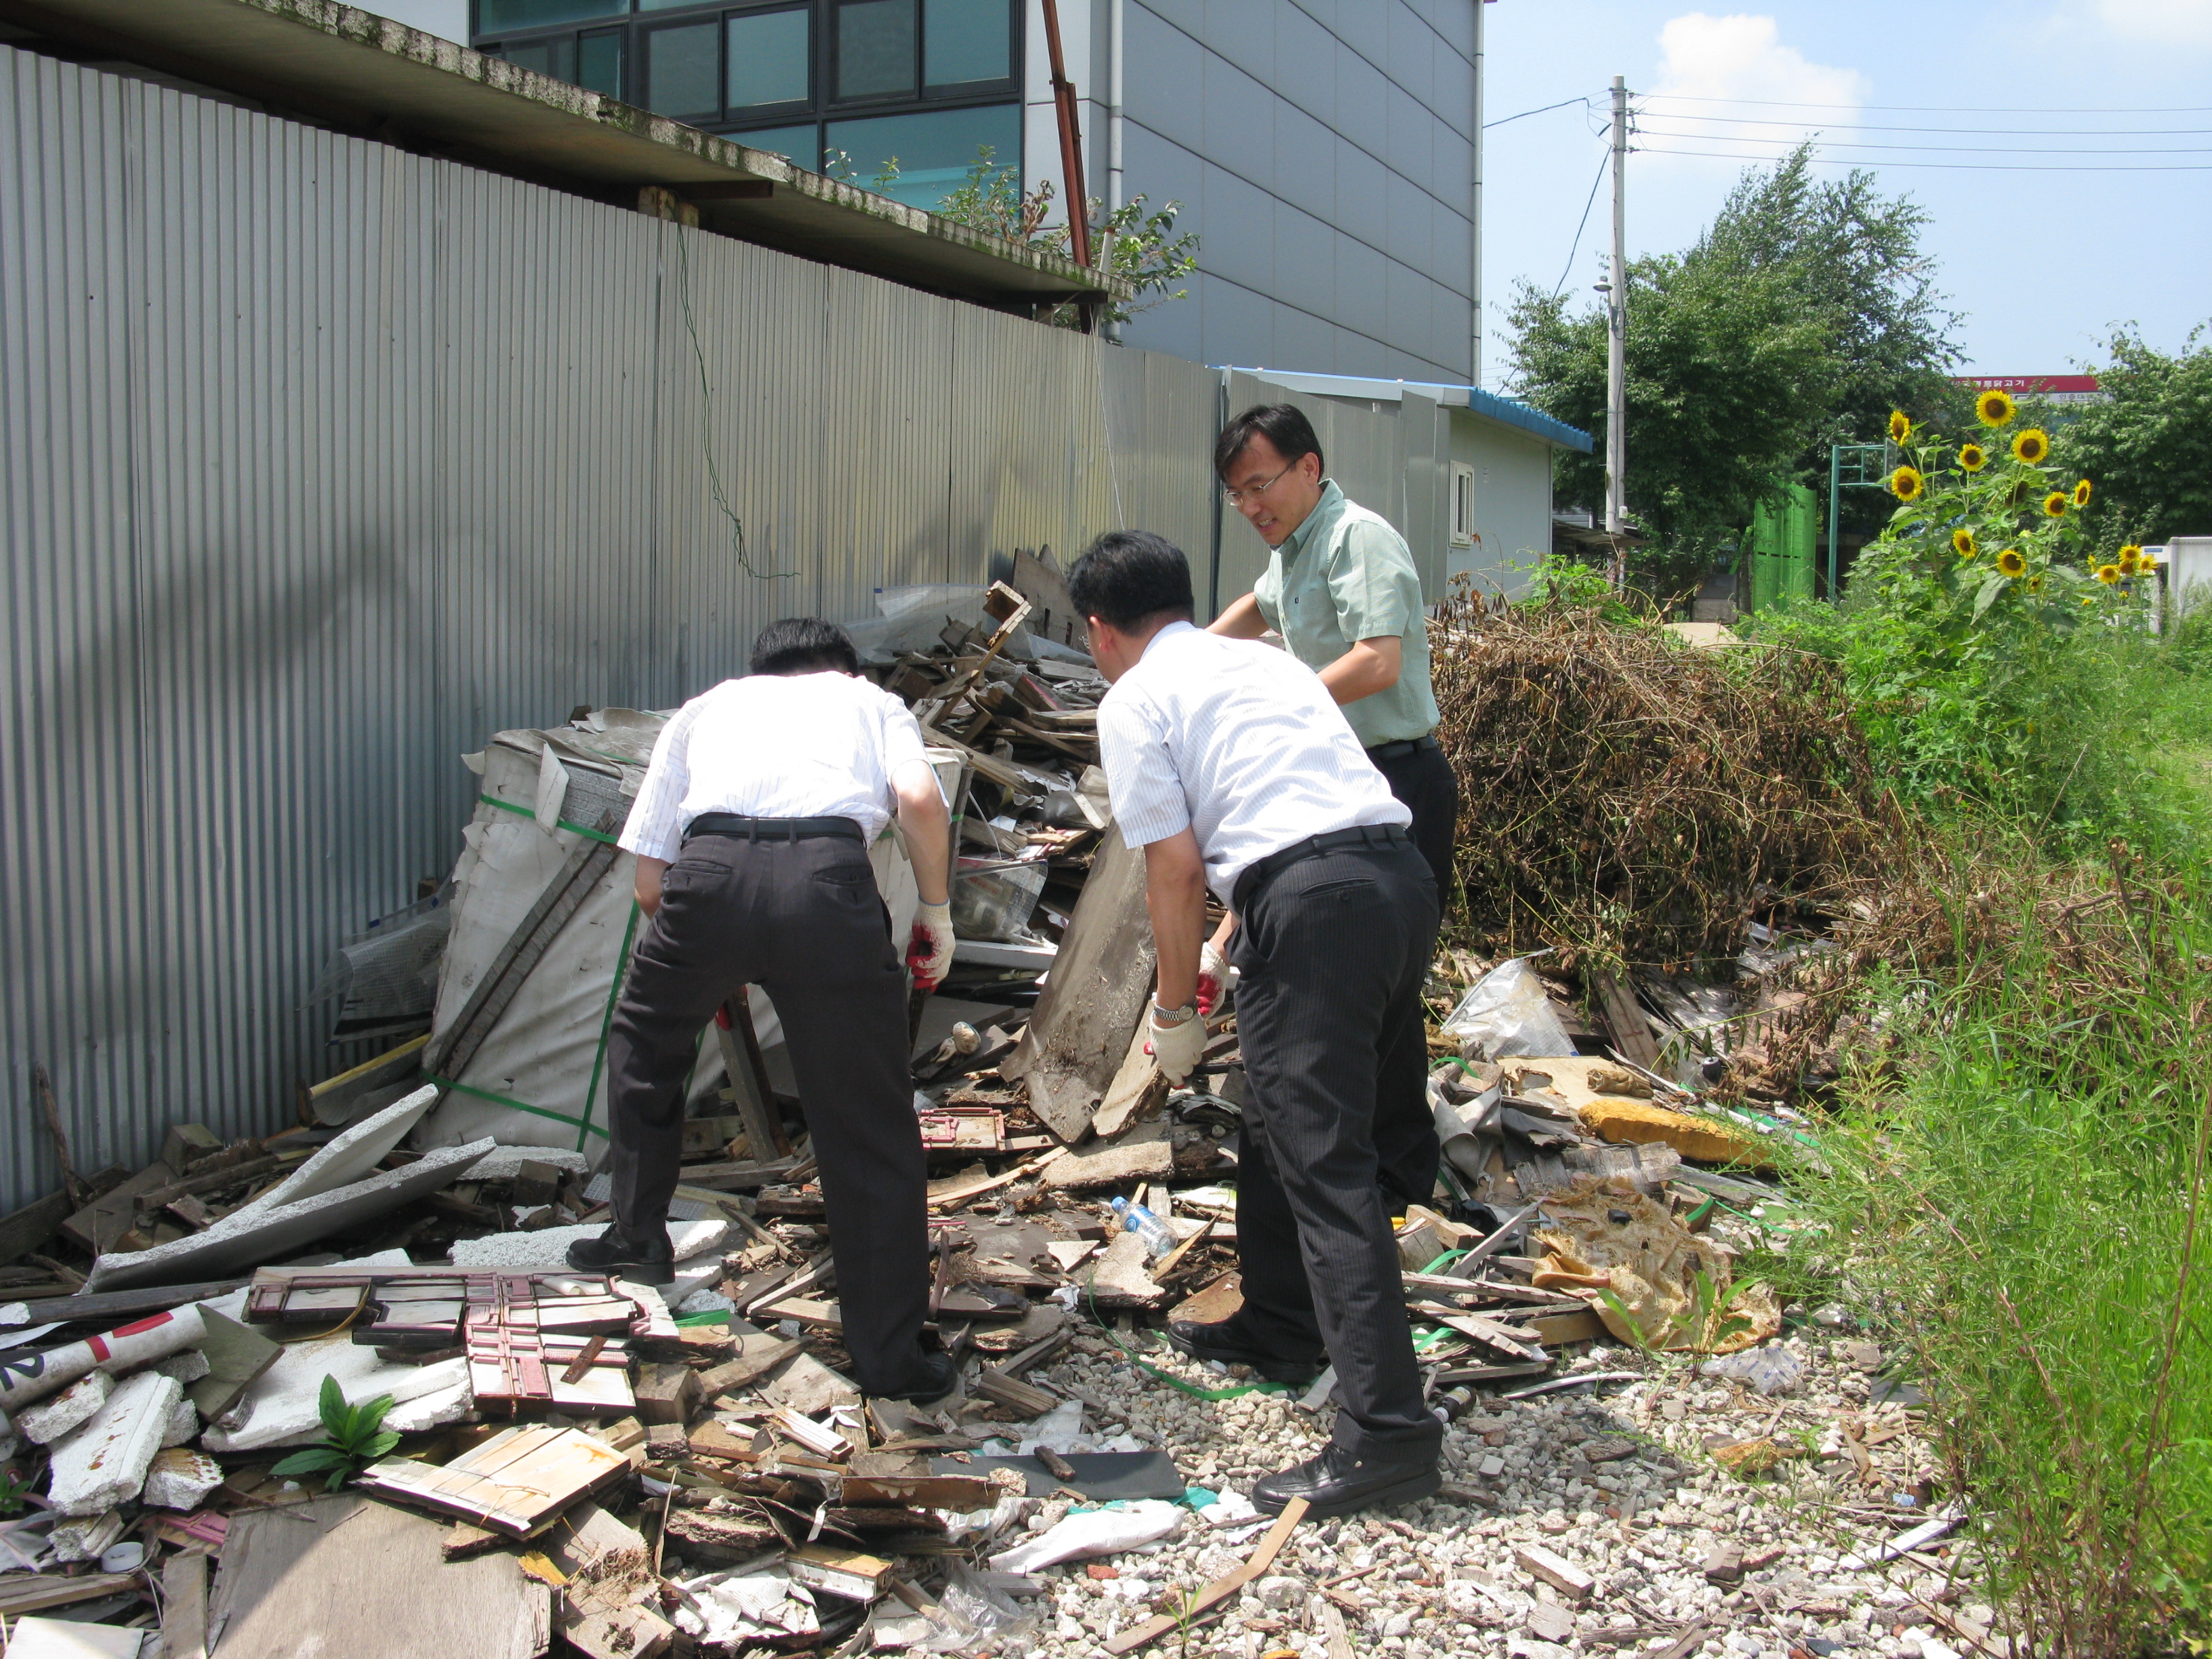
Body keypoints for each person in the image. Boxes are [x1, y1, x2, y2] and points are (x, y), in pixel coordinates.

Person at [1070, 530, 1443, 1519]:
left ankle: (1387, 1434)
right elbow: (1282, 805)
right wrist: (1243, 944)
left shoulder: (1133, 699)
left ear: (1102, 631)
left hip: (1316, 902)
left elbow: (1175, 867)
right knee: (1275, 1119)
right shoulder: (1263, 662)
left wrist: (1175, 1007)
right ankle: (1281, 1324)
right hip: (1396, 883)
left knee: (1325, 1164)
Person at [567, 617, 960, 1404]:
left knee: (645, 1050)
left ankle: (637, 1238)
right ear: (841, 669)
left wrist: (710, 957)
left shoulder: (707, 706)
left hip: (706, 877)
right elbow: (918, 798)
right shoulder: (869, 701)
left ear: (760, 669)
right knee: (867, 1123)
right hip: (829, 884)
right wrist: (937, 911)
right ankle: (889, 1360)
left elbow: (650, 884)